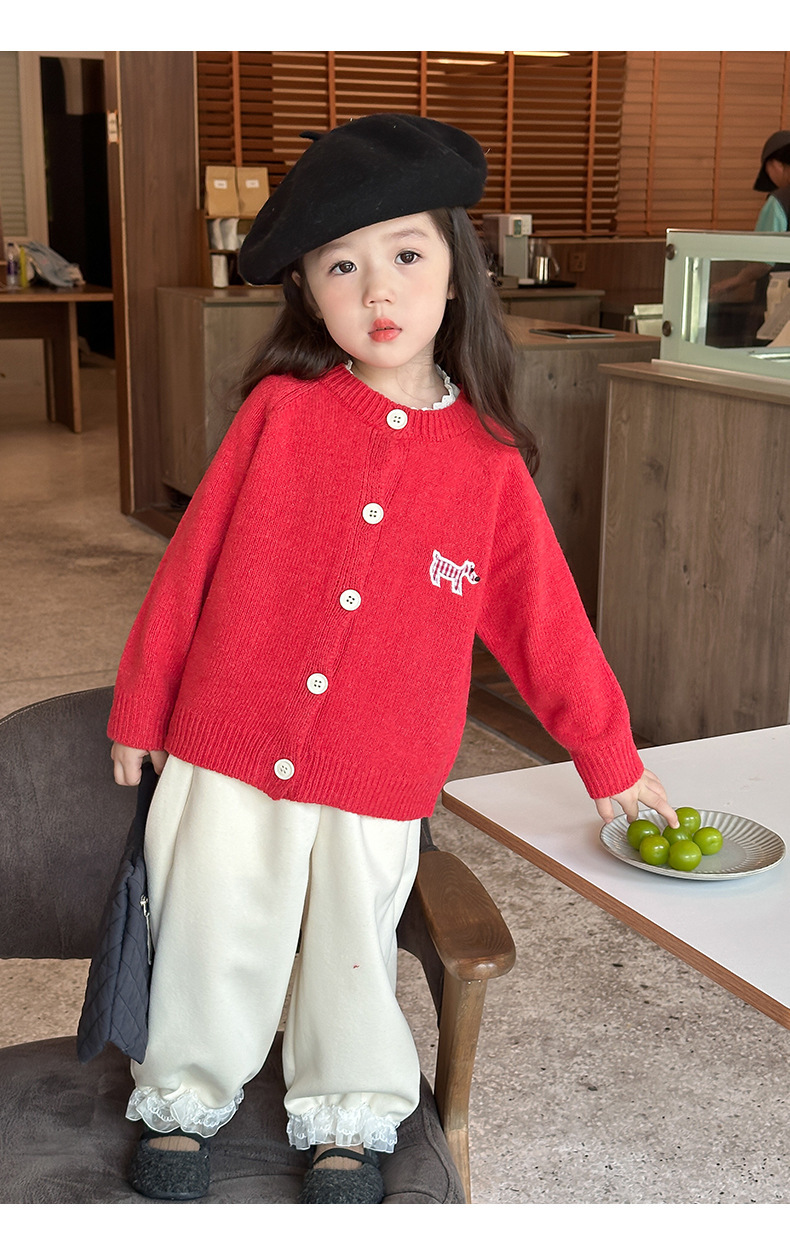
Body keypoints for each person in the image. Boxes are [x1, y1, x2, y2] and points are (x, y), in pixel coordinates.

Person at [107, 113, 677, 1205]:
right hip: (228, 739)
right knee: (212, 924)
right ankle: (183, 1093)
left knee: (352, 947)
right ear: (306, 291)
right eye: (342, 266)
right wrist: (143, 703)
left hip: (380, 763)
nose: (378, 289)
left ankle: (348, 1112)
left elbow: (545, 621)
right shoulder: (280, 414)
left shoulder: (488, 465)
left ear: (457, 271)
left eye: (406, 254)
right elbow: (191, 566)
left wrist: (608, 755)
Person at [709, 130, 790, 307]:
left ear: (775, 165)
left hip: (779, 301)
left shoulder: (779, 202)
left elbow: (764, 261)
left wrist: (734, 281)